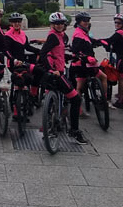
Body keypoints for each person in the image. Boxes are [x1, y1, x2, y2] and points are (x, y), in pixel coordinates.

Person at [33, 12, 87, 145]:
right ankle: (74, 130)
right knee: (76, 99)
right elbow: (43, 53)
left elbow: (58, 53)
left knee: (58, 99)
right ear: (52, 25)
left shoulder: (60, 36)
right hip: (57, 74)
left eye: (61, 23)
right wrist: (51, 69)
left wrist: (71, 57)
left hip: (57, 71)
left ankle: (52, 123)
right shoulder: (53, 36)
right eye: (56, 24)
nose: (59, 26)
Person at [70, 12, 107, 117]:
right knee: (79, 87)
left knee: (103, 77)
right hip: (81, 64)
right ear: (79, 22)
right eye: (84, 20)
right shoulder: (78, 34)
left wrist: (101, 42)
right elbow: (76, 51)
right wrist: (86, 57)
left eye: (88, 20)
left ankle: (102, 100)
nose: (86, 22)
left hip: (90, 64)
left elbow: (89, 41)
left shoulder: (83, 31)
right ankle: (79, 110)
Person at [101, 14, 123, 107]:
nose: (116, 24)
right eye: (115, 22)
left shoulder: (120, 33)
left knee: (121, 79)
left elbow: (109, 40)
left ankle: (120, 100)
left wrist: (97, 41)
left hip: (122, 59)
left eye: (119, 23)